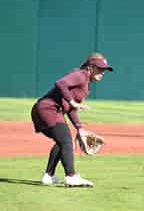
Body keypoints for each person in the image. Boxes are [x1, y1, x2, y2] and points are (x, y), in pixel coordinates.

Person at [31, 52, 113, 187]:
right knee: (66, 141)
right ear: (90, 67)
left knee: (62, 141)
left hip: (46, 110)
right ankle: (71, 176)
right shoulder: (81, 75)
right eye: (100, 68)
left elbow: (70, 109)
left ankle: (48, 175)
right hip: (48, 109)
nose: (103, 72)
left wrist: (80, 128)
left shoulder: (86, 84)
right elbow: (60, 83)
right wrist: (72, 101)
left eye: (105, 69)